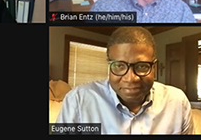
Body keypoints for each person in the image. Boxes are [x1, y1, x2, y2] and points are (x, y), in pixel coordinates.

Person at [56, 27, 193, 134]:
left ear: (154, 68)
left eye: (142, 66)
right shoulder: (77, 100)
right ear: (109, 66)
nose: (130, 78)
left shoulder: (177, 102)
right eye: (119, 66)